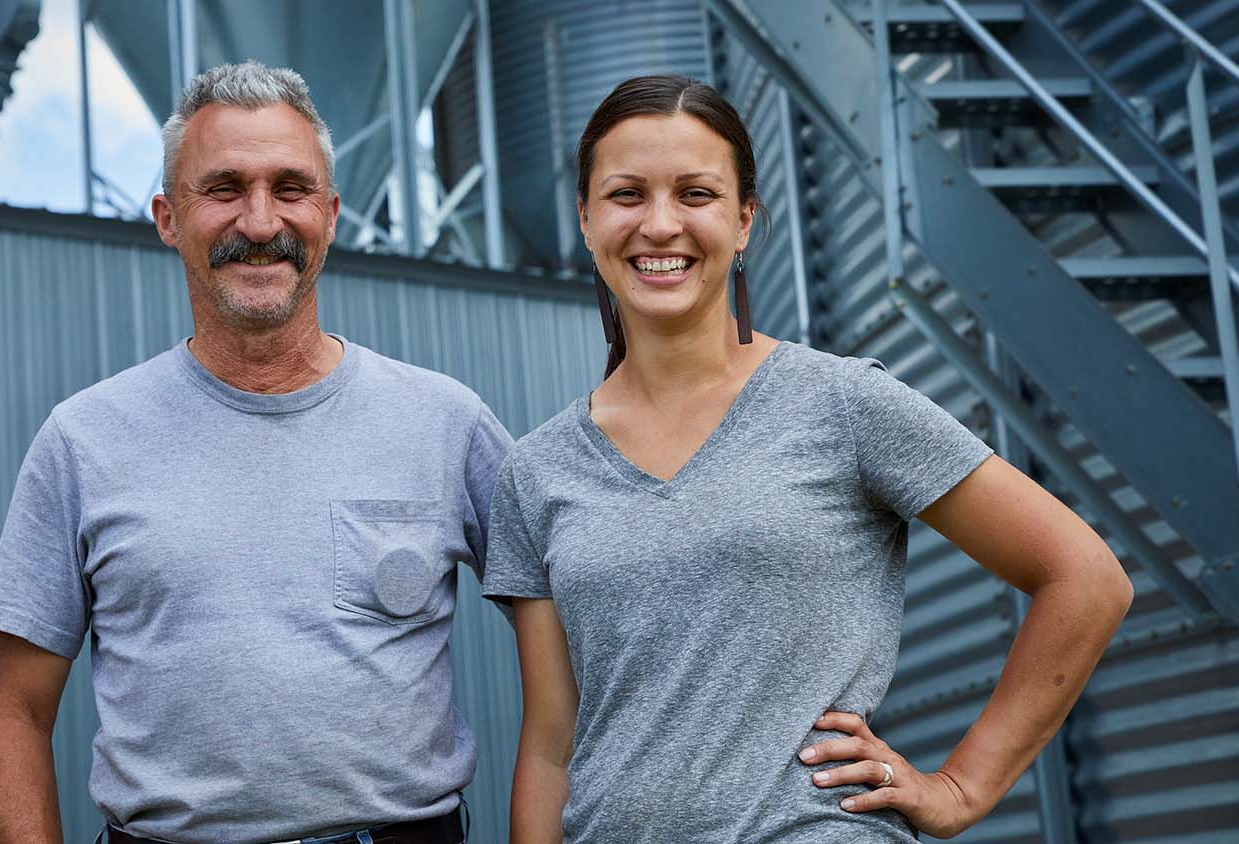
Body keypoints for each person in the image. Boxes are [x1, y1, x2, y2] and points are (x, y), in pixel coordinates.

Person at [482, 74, 1133, 844]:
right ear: (587, 220)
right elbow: (553, 747)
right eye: (627, 195)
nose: (660, 225)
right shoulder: (536, 470)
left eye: (696, 194)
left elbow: (1086, 579)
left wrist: (960, 786)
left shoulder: (843, 403)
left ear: (745, 219)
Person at [0, 62, 510, 844]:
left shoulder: (446, 424)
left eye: (290, 189)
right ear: (166, 217)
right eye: (223, 188)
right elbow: (7, 715)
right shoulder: (83, 441)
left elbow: (576, 631)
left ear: (330, 212)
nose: (260, 222)